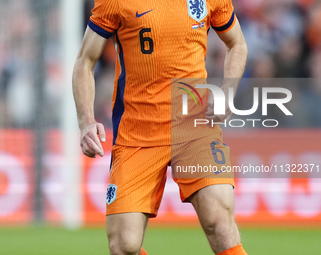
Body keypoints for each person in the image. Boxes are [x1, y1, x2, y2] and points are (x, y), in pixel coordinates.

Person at [73, 0, 248, 254]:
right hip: (137, 134)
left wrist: (228, 90)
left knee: (218, 220)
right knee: (124, 245)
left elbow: (237, 43)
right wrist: (86, 121)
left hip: (195, 128)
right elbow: (84, 61)